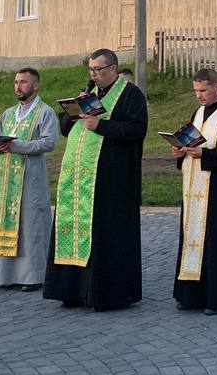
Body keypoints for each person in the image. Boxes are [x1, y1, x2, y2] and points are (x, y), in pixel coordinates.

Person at [44, 48, 147, 311]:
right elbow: (65, 128)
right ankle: (73, 290)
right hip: (78, 180)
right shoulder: (89, 93)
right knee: (73, 230)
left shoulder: (130, 94)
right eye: (90, 69)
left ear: (113, 69)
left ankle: (106, 293)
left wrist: (101, 126)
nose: (93, 74)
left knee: (105, 234)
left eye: (98, 70)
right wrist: (72, 110)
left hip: (110, 180)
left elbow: (137, 130)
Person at [172, 67, 217, 315]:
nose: (199, 95)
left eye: (203, 90)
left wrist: (206, 154)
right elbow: (190, 141)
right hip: (193, 186)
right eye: (196, 90)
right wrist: (181, 151)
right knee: (191, 238)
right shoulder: (198, 112)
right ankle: (191, 295)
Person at [0, 68, 59, 291]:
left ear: (35, 85)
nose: (18, 86)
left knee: (30, 225)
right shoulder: (8, 113)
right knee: (3, 223)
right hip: (5, 181)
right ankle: (1, 275)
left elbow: (49, 142)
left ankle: (32, 276)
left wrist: (17, 145)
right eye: (16, 82)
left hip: (29, 179)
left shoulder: (45, 112)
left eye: (23, 82)